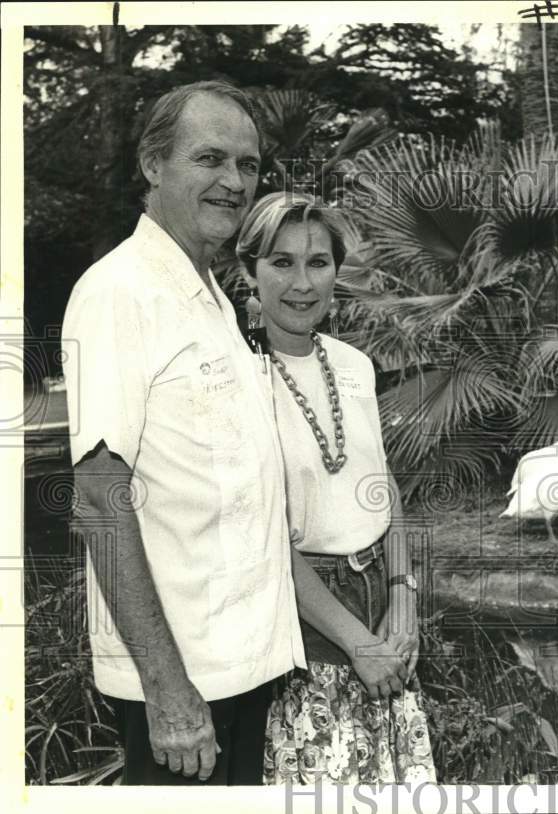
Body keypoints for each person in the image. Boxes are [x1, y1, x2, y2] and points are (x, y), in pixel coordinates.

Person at [62, 82, 307, 784]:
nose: (234, 182)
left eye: (249, 164)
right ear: (153, 165)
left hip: (240, 668)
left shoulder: (214, 303)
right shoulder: (120, 293)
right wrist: (168, 691)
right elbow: (100, 500)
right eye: (210, 159)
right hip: (183, 687)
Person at [235, 192, 436, 784]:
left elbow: (383, 487)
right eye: (281, 262)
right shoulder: (238, 379)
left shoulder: (355, 364)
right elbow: (260, 536)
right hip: (307, 618)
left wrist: (404, 596)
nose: (303, 283)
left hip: (383, 605)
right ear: (249, 270)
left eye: (318, 262)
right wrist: (356, 643)